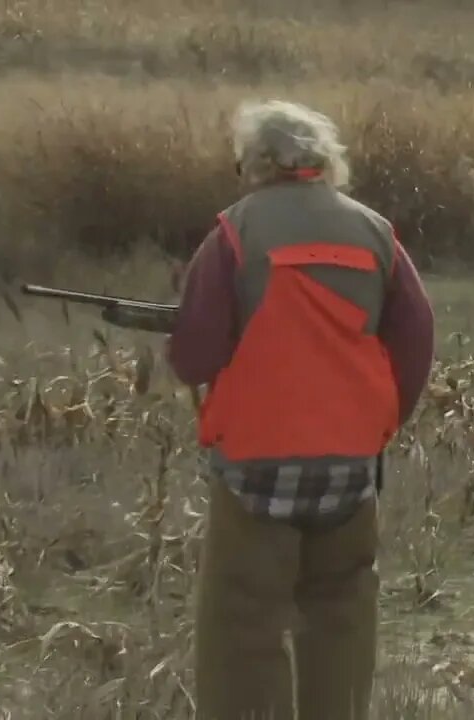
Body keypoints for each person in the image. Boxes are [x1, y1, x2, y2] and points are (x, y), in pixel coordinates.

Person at [164, 99, 435, 720]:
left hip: (256, 462)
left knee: (242, 624)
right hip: (349, 464)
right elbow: (416, 339)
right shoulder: (374, 230)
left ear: (255, 162)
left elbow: (195, 357)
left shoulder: (234, 232)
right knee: (341, 616)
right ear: (323, 159)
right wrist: (379, 426)